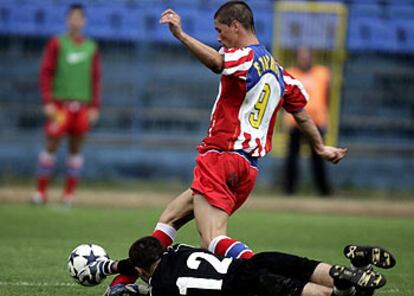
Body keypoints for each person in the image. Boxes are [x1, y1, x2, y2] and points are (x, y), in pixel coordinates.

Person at [107, 1, 348, 292]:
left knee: (212, 241)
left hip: (222, 157)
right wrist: (321, 148)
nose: (218, 38)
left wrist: (181, 35)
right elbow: (301, 112)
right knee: (170, 217)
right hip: (247, 168)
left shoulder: (246, 57)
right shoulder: (282, 74)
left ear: (236, 26)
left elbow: (217, 63)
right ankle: (122, 281)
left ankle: (281, 283)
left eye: (219, 31)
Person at [78, 237, 396, 296]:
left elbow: (151, 281)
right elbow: (143, 262)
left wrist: (118, 282)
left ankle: (344, 283)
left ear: (143, 269)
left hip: (248, 286)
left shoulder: (159, 287)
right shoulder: (177, 249)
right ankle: (352, 266)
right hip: (251, 262)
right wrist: (111, 266)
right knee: (306, 266)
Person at [31, 3, 101, 205]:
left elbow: (96, 78)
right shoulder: (57, 43)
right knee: (51, 144)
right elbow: (46, 72)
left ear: (84, 21)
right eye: (72, 17)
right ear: (67, 19)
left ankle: (68, 194)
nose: (76, 21)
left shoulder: (91, 47)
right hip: (60, 106)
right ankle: (40, 191)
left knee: (76, 148)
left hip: (82, 107)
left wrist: (95, 106)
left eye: (79, 17)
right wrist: (48, 101)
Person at [283, 47, 332, 196]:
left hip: (316, 122)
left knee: (318, 158)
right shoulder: (290, 73)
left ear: (312, 57)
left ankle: (323, 191)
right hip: (295, 123)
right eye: (301, 56)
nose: (304, 59)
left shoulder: (322, 73)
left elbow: (327, 96)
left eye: (306, 56)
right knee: (292, 158)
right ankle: (289, 190)